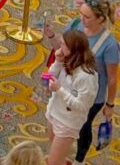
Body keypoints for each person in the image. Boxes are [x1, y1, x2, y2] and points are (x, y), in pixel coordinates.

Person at [45, 0, 119, 163]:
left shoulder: (110, 45)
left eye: (87, 17)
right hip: (67, 85)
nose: (82, 20)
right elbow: (62, 48)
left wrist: (109, 105)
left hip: (92, 95)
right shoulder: (76, 25)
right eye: (81, 14)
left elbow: (113, 78)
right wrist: (51, 37)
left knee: (83, 128)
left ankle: (80, 159)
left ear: (100, 19)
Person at [45, 29, 99, 165]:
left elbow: (83, 106)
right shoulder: (66, 60)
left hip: (67, 123)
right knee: (56, 157)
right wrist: (57, 62)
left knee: (53, 162)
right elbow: (47, 79)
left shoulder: (87, 76)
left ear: (72, 49)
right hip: (54, 113)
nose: (59, 46)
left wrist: (60, 90)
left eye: (63, 44)